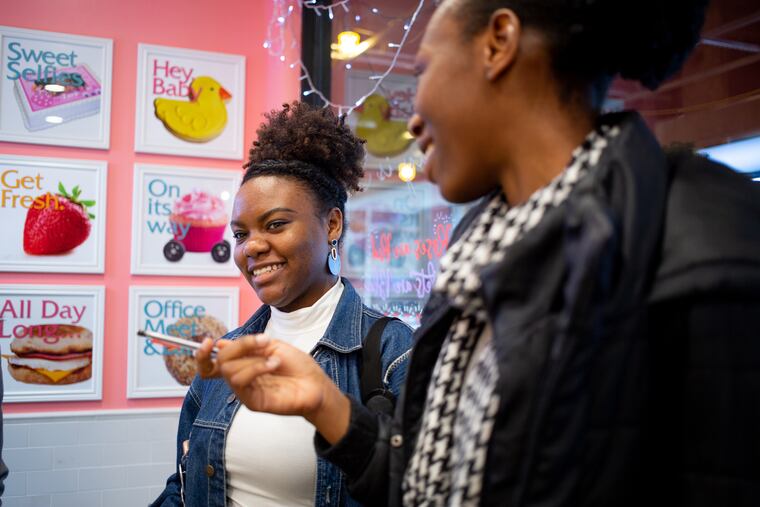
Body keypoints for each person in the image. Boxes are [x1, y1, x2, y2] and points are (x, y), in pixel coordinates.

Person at [202, 1, 760, 506]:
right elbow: (421, 477)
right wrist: (324, 402)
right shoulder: (479, 253)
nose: (413, 115)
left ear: (498, 43)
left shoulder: (701, 241)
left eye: (422, 72)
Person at [151, 102, 414, 507]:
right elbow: (183, 489)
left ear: (332, 224)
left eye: (275, 225)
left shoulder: (392, 353)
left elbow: (418, 489)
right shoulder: (228, 355)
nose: (252, 247)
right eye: (240, 235)